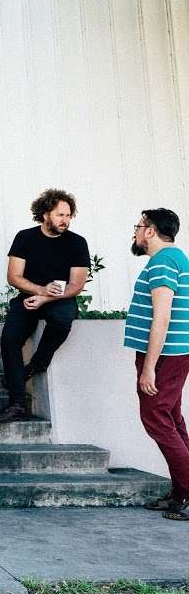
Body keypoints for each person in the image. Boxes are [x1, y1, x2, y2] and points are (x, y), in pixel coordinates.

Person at [0, 189, 90, 424]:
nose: (65, 220)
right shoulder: (25, 238)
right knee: (9, 339)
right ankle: (17, 403)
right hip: (29, 296)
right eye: (59, 215)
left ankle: (37, 364)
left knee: (61, 320)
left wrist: (47, 297)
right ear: (45, 213)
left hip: (61, 297)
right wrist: (38, 291)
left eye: (68, 215)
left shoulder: (77, 243)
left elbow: (77, 284)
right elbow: (14, 276)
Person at [126, 209, 189, 522]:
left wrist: (149, 367)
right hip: (172, 354)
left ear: (150, 231)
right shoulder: (176, 259)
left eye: (138, 226)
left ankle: (187, 492)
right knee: (171, 419)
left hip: (164, 355)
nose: (135, 232)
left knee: (156, 417)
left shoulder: (163, 262)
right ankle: (181, 492)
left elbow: (161, 317)